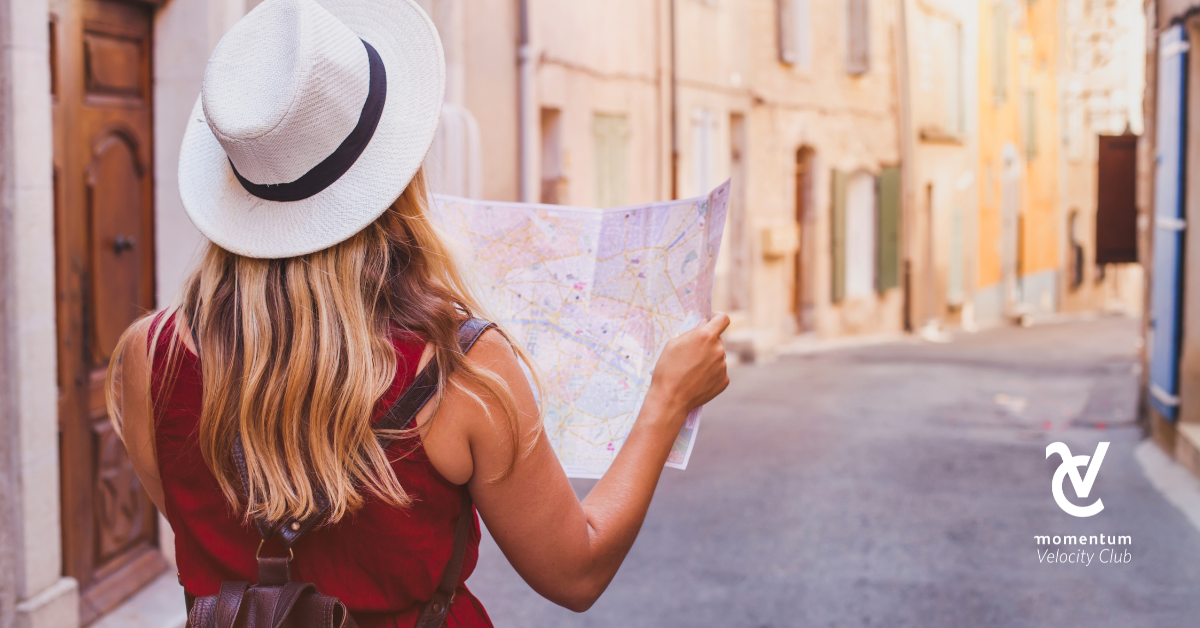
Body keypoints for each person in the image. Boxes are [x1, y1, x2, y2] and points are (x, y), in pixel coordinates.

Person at [105, 0, 730, 626]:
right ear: (396, 178)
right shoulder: (460, 367)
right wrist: (666, 402)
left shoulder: (148, 355)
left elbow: (208, 531)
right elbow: (575, 569)